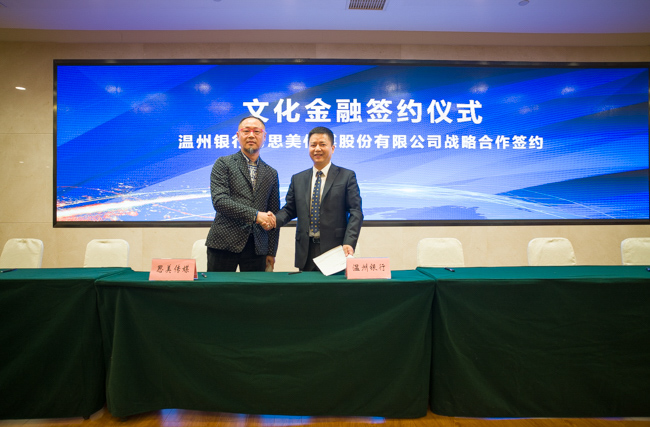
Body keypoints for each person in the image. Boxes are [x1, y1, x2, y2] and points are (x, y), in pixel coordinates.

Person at [274, 126, 363, 271]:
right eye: (313, 145)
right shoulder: (298, 179)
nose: (317, 149)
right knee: (306, 286)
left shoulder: (347, 176)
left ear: (332, 148)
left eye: (322, 144)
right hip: (306, 250)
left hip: (335, 250)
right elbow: (289, 210)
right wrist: (273, 220)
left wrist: (349, 241)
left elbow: (356, 212)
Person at [205, 116, 279, 272]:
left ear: (264, 136)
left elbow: (274, 214)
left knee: (255, 289)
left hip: (257, 247)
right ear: (238, 135)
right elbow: (220, 201)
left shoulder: (271, 173)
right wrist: (256, 215)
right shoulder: (223, 163)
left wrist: (271, 251)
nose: (251, 135)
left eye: (256, 131)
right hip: (223, 243)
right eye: (246, 131)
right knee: (217, 288)